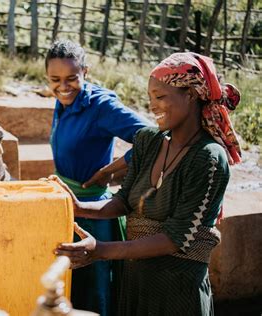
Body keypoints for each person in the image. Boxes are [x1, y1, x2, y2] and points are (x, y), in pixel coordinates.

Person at [53, 52, 242, 315]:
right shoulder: (148, 141)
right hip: (135, 282)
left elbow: (174, 239)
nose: (153, 106)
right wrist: (77, 207)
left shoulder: (208, 158)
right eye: (150, 97)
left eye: (160, 97)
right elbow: (123, 200)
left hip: (177, 290)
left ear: (190, 95)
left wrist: (99, 251)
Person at [45, 40, 149, 315]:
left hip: (94, 214)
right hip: (67, 206)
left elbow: (153, 137)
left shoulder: (101, 106)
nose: (63, 87)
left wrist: (113, 168)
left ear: (85, 72)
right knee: (71, 284)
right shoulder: (64, 102)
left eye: (71, 78)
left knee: (95, 289)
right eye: (55, 79)